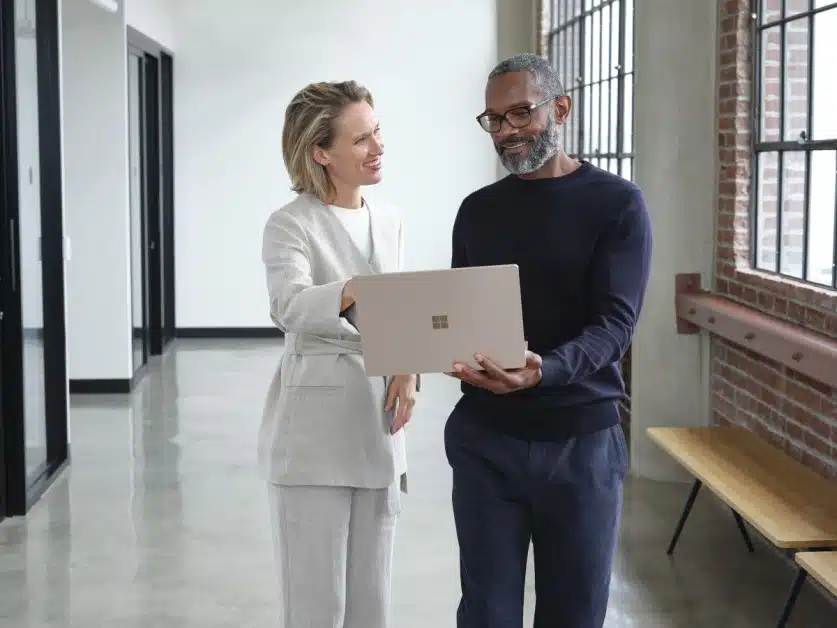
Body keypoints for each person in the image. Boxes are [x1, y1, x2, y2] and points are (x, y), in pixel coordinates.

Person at [445, 53, 652, 627]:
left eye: (520, 113)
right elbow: (463, 311)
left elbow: (615, 326)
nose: (507, 131)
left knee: (574, 612)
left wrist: (544, 370)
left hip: (580, 443)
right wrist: (447, 352)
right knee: (486, 612)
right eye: (494, 119)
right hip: (486, 439)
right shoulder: (477, 212)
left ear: (560, 108)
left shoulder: (617, 204)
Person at [258, 80, 418, 628]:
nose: (378, 147)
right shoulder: (290, 223)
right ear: (320, 153)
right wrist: (352, 292)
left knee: (372, 595)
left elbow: (405, 312)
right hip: (315, 430)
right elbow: (289, 306)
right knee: (315, 601)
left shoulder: (390, 218)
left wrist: (408, 369)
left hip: (380, 424)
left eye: (377, 132)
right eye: (360, 140)